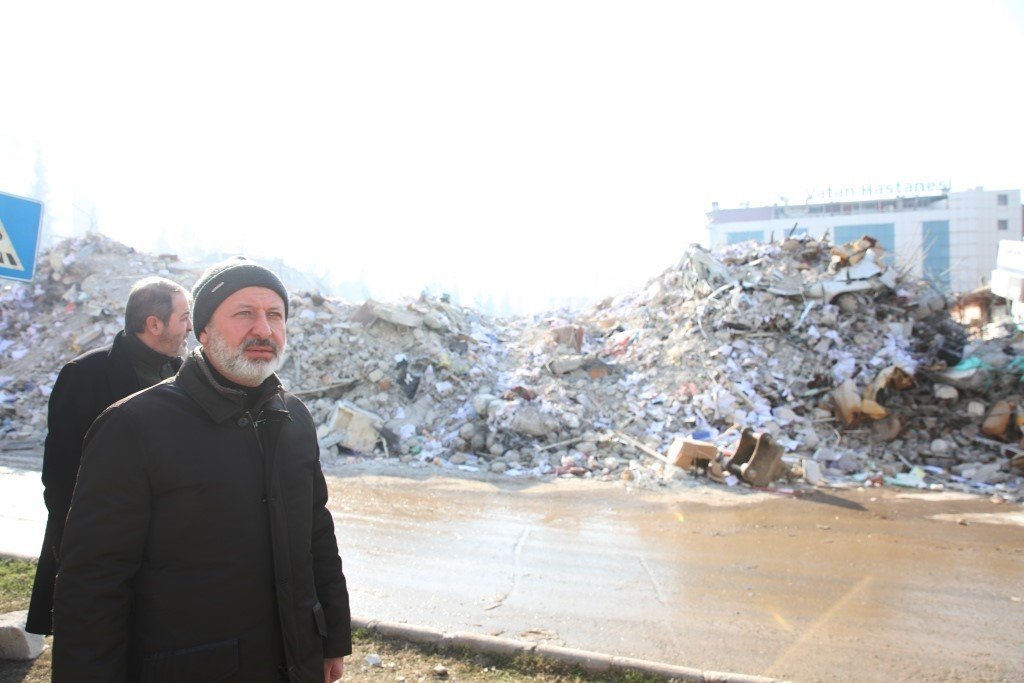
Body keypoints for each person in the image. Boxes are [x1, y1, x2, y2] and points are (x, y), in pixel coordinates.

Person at [52, 257, 351, 683]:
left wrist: (332, 637)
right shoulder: (134, 426)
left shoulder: (294, 417)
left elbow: (316, 533)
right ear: (203, 330)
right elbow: (93, 581)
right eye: (244, 314)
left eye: (275, 316)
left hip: (296, 661)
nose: (264, 330)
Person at [25, 276, 192, 636]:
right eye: (183, 317)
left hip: (164, 545)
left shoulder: (186, 377)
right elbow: (60, 471)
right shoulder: (85, 375)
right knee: (92, 642)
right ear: (154, 324)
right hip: (97, 542)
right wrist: (77, 542)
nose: (190, 327)